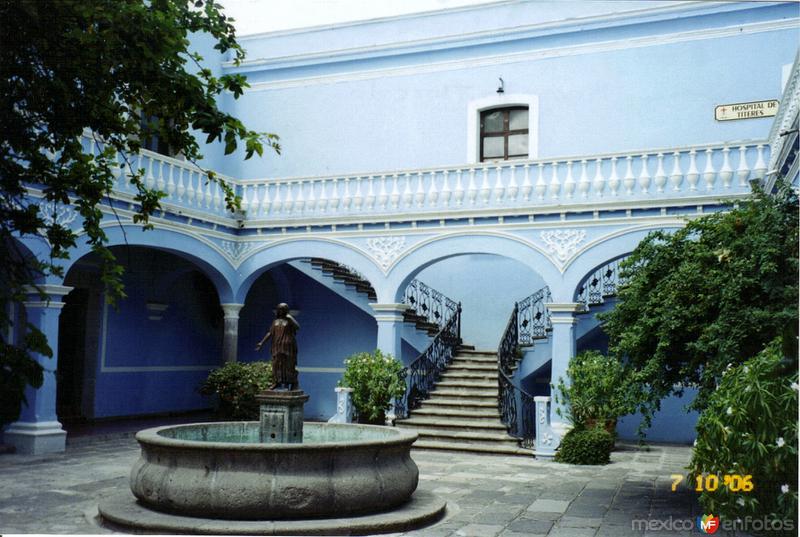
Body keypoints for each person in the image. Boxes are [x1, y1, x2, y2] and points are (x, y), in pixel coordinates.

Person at [255, 303, 300, 390]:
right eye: (279, 309)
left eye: (283, 309)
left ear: (286, 310)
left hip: (288, 346)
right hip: (277, 346)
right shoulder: (275, 322)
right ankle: (277, 382)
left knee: (288, 365)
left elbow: (297, 327)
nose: (281, 311)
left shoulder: (289, 320)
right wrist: (261, 343)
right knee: (276, 365)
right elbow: (270, 333)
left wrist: (290, 317)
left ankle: (291, 383)